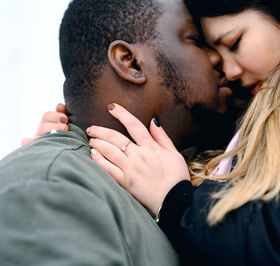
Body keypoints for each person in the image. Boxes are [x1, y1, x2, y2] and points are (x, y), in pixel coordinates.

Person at [85, 0, 280, 265]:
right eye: (220, 58)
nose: (230, 71)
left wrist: (177, 202)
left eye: (234, 43)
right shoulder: (261, 109)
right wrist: (69, 130)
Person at [0, 0, 236, 264]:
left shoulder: (173, 182)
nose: (217, 58)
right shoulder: (53, 185)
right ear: (130, 62)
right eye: (193, 39)